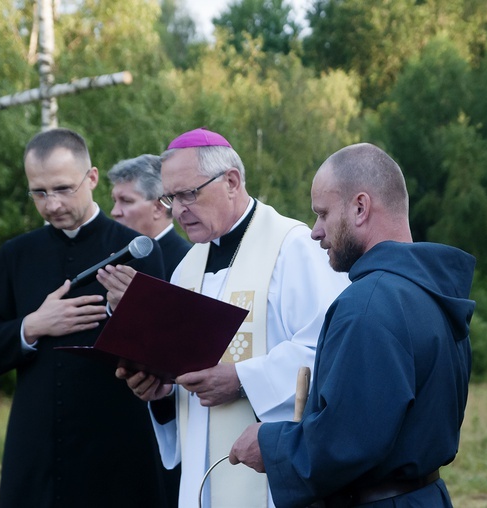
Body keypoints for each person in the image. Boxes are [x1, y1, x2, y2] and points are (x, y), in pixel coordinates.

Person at [229, 142, 476, 507]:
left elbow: (347, 442)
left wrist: (268, 444)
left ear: (360, 208)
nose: (315, 231)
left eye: (323, 214)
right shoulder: (428, 291)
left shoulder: (369, 303)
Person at [114, 127, 350, 508]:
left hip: (270, 475)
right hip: (203, 480)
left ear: (232, 181)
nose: (177, 210)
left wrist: (242, 380)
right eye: (170, 197)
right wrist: (163, 393)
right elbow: (186, 377)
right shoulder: (186, 268)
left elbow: (329, 351)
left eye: (189, 194)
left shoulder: (293, 247)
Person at [0, 128, 175, 508]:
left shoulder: (140, 251)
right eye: (39, 192)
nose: (52, 204)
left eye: (63, 189)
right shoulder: (15, 255)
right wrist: (32, 326)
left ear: (91, 178)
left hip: (118, 452)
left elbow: (165, 356)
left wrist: (126, 311)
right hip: (36, 452)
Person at [108, 154, 191, 278]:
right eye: (115, 201)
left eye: (126, 201)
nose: (115, 212)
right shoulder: (118, 253)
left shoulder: (187, 262)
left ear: (159, 207)